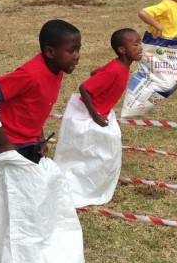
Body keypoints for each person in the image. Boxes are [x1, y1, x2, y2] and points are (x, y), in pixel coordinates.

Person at [53, 28, 142, 207]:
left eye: (140, 43)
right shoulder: (116, 70)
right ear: (122, 50)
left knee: (106, 151)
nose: (140, 47)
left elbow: (96, 73)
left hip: (101, 112)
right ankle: (81, 186)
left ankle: (96, 183)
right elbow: (84, 88)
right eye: (136, 44)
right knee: (88, 152)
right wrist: (95, 115)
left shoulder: (119, 67)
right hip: (87, 115)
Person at [0, 19, 81, 163]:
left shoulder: (57, 70)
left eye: (78, 49)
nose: (77, 56)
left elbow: (36, 107)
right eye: (71, 51)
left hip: (26, 140)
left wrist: (40, 137)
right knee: (14, 185)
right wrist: (3, 143)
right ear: (51, 52)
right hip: (2, 141)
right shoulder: (30, 74)